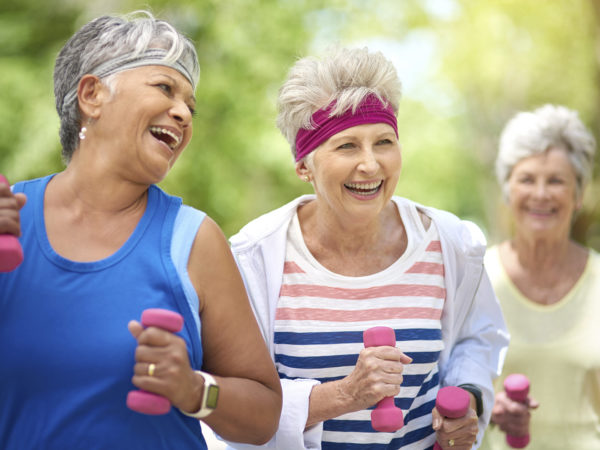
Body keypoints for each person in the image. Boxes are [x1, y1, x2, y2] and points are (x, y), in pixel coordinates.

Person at [0, 11, 282, 449]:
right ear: (92, 96)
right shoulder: (9, 221)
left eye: (191, 105)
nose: (183, 113)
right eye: (165, 88)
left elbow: (263, 415)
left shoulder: (193, 241)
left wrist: (195, 390)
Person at [226, 46, 509, 450]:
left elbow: (477, 339)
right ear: (304, 165)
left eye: (384, 142)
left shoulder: (449, 242)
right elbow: (235, 400)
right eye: (346, 146)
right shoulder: (255, 256)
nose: (371, 165)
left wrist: (469, 399)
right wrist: (344, 394)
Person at [480, 105, 599, 449]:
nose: (541, 194)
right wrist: (484, 405)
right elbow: (448, 387)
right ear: (508, 190)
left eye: (557, 180)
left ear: (579, 193)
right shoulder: (476, 280)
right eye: (527, 179)